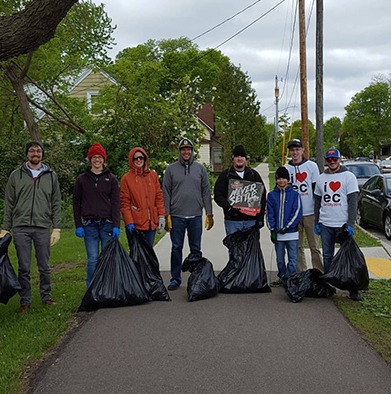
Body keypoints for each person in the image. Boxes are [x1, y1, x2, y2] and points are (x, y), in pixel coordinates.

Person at [0, 141, 61, 313]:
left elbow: (56, 203)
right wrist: (6, 227)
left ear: (42, 154)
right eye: (32, 150)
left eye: (39, 150)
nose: (36, 153)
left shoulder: (51, 175)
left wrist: (56, 227)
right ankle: (25, 301)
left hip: (42, 226)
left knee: (44, 266)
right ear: (27, 154)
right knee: (24, 267)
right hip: (21, 227)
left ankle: (46, 297)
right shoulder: (16, 175)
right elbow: (9, 203)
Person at [162, 138, 214, 290]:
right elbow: (165, 192)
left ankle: (196, 279)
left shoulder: (200, 169)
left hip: (195, 216)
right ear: (179, 151)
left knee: (196, 249)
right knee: (176, 247)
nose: (186, 152)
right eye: (183, 149)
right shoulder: (171, 169)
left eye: (188, 149)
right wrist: (167, 214)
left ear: (192, 151)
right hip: (177, 216)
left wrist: (209, 213)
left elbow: (206, 191)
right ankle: (175, 279)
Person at [314, 148, 361, 301]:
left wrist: (350, 223)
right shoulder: (321, 178)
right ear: (326, 161)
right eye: (329, 159)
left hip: (342, 224)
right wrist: (317, 222)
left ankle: (353, 288)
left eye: (335, 159)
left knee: (349, 256)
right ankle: (329, 285)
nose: (332, 162)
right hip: (326, 222)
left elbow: (353, 201)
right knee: (328, 256)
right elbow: (317, 202)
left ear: (340, 160)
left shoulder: (349, 176)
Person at [73, 143, 120, 287]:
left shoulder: (111, 179)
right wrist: (78, 225)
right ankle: (92, 288)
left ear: (104, 160)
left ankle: (107, 287)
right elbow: (76, 203)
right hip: (89, 225)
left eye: (100, 157)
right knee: (93, 258)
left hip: (107, 224)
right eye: (94, 157)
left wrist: (116, 225)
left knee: (107, 258)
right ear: (90, 159)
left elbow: (115, 204)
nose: (97, 160)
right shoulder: (82, 179)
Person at [285, 139, 323, 272]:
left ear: (302, 150)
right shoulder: (286, 168)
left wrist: (318, 212)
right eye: (292, 150)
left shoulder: (311, 166)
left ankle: (319, 272)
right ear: (289, 152)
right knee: (297, 246)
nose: (295, 152)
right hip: (294, 215)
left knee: (314, 246)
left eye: (297, 150)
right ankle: (301, 273)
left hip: (309, 212)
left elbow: (316, 190)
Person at [214, 144, 266, 235]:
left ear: (246, 159)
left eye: (242, 156)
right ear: (233, 158)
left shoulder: (253, 175)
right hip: (233, 221)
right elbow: (218, 195)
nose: (239, 159)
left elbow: (262, 196)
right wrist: (229, 208)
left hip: (251, 221)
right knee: (235, 249)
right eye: (237, 156)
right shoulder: (226, 176)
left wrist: (261, 218)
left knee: (251, 249)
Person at [120, 147, 166, 248]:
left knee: (148, 253)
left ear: (145, 159)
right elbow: (125, 203)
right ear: (131, 160)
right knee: (136, 254)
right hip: (136, 224)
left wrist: (161, 216)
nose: (138, 160)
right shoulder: (126, 179)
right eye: (135, 158)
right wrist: (129, 222)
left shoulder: (153, 176)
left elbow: (159, 197)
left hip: (151, 223)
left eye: (141, 158)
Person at [267, 166, 303, 286]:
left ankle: (291, 278)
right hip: (278, 233)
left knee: (293, 259)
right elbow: (269, 213)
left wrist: (287, 226)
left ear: (288, 179)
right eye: (279, 178)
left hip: (291, 232)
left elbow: (297, 211)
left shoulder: (294, 194)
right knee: (280, 259)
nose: (281, 181)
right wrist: (272, 229)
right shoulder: (271, 195)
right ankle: (282, 277)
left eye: (284, 178)